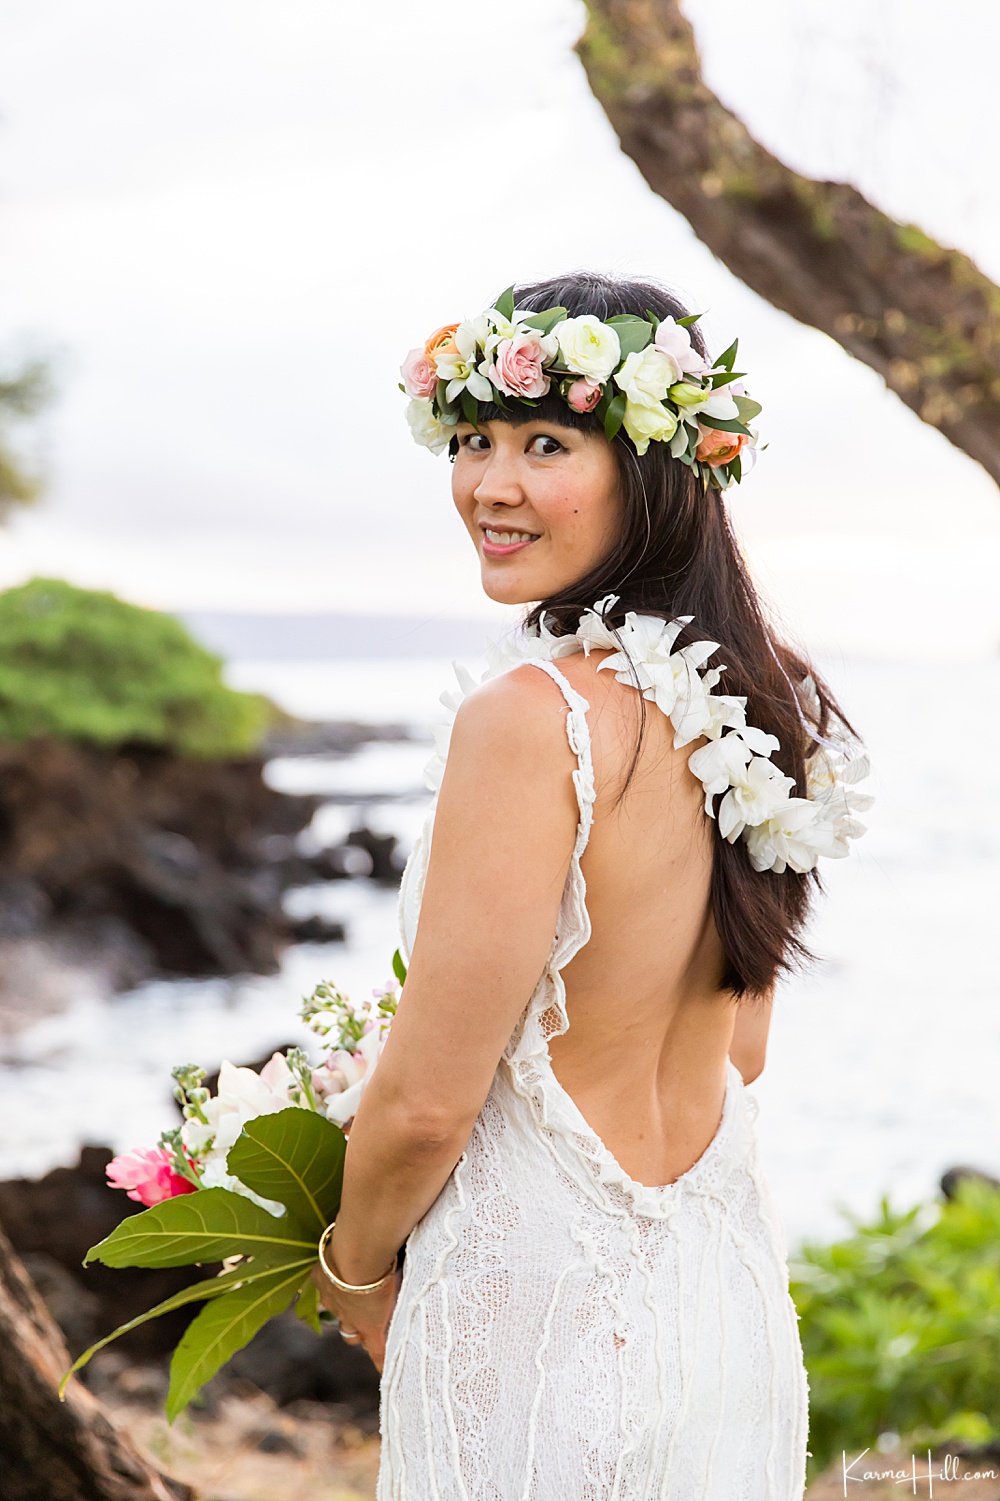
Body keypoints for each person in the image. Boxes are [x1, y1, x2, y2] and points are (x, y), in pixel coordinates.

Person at [312, 272, 870, 1500]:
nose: (489, 485)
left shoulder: (530, 723)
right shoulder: (772, 711)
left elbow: (421, 1112)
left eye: (544, 442)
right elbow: (743, 1048)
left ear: (654, 470)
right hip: (718, 1315)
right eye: (471, 439)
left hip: (537, 1328)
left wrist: (349, 1272)